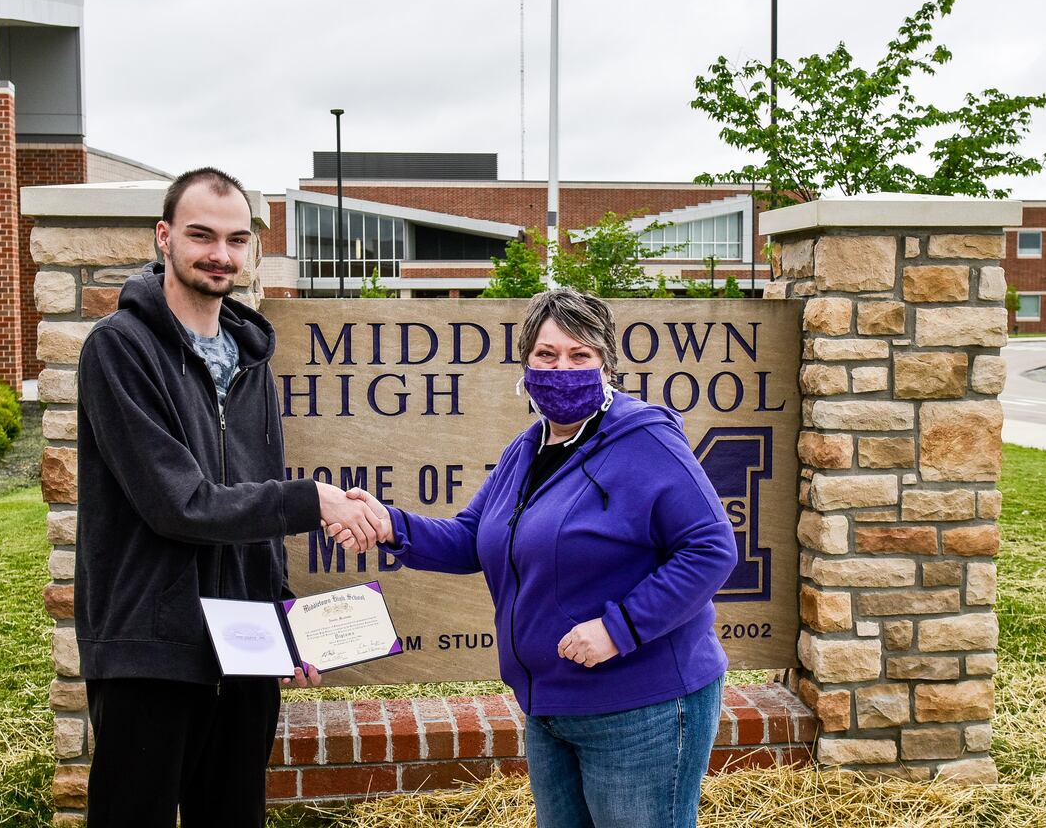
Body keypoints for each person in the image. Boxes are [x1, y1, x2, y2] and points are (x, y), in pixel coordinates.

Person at [332, 288, 738, 828]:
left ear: (607, 366)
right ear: (525, 364)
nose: (561, 369)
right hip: (551, 708)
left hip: (643, 708)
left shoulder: (646, 440)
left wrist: (620, 629)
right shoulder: (527, 450)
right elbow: (472, 537)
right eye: (546, 355)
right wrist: (390, 525)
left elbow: (711, 548)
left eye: (580, 356)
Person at [74, 167, 388, 827]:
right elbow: (177, 504)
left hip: (242, 652)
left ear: (251, 252)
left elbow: (254, 512)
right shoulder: (119, 350)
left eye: (236, 239)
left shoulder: (250, 362)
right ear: (165, 237)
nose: (220, 253)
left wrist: (280, 623)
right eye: (201, 235)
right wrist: (316, 501)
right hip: (151, 649)